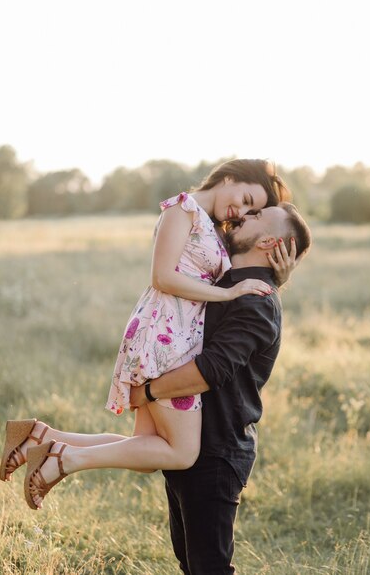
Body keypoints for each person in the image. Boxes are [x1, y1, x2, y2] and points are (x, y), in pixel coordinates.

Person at [0, 158, 294, 510]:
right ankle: (62, 458)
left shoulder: (213, 226)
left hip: (177, 337)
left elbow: (241, 264)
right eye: (245, 199)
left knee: (148, 449)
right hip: (165, 338)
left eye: (252, 210)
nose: (242, 211)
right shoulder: (182, 210)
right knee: (182, 452)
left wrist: (276, 277)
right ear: (229, 177)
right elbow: (162, 277)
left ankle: (40, 437)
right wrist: (227, 294)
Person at [130, 202, 312, 574]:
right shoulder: (226, 280)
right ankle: (50, 443)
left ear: (271, 242)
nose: (244, 215)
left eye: (257, 216)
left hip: (216, 452)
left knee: (209, 567)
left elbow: (211, 370)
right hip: (187, 440)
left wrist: (147, 392)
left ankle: (58, 453)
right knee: (190, 563)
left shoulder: (256, 302)